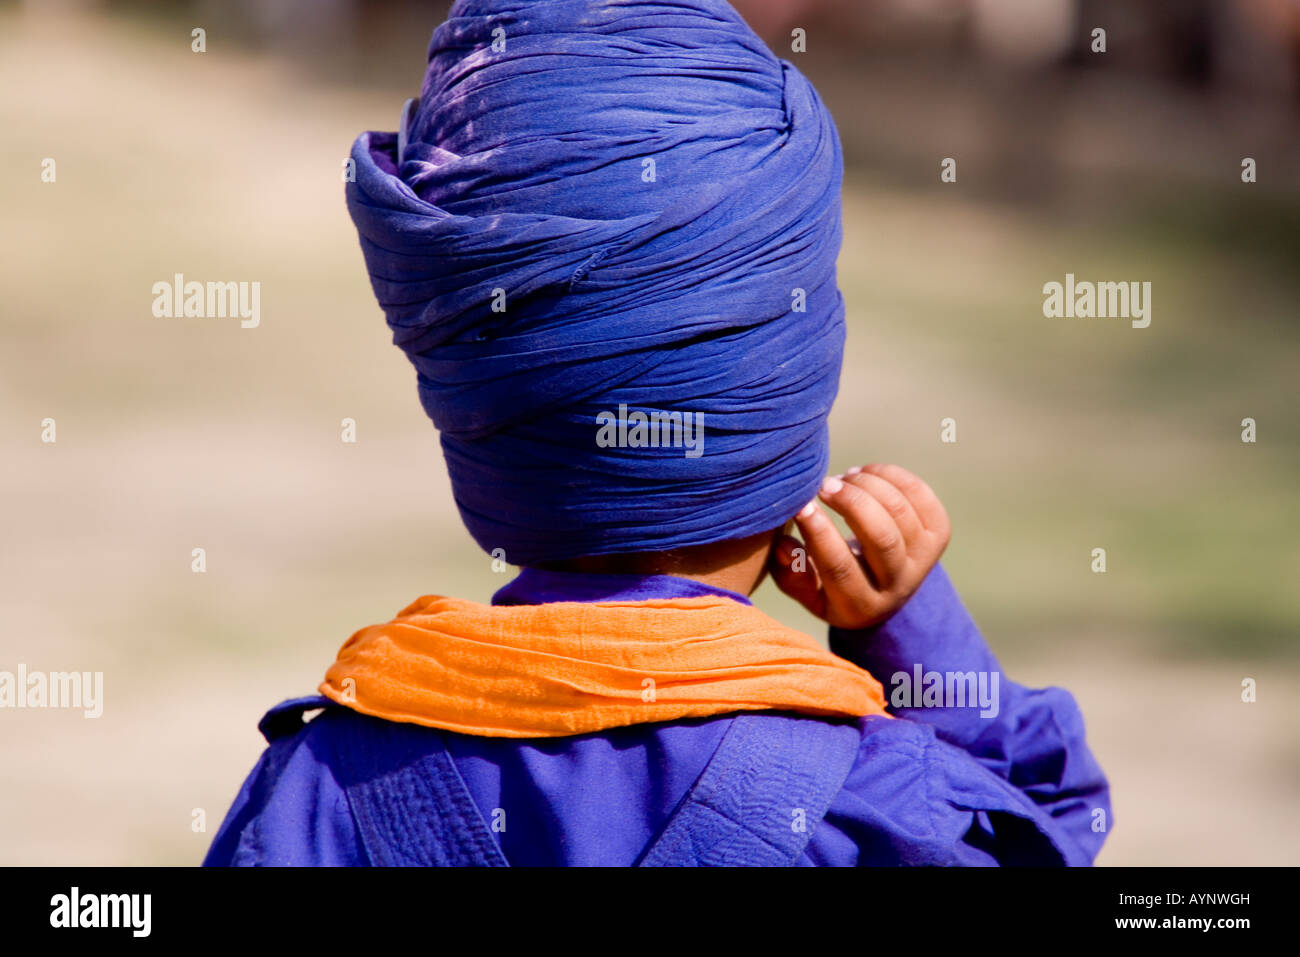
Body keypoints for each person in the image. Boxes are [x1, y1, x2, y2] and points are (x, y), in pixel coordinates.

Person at [205, 0, 1109, 867]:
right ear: (785, 398)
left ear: (473, 401)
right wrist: (914, 639)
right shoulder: (881, 808)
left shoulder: (317, 787)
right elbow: (1052, 829)